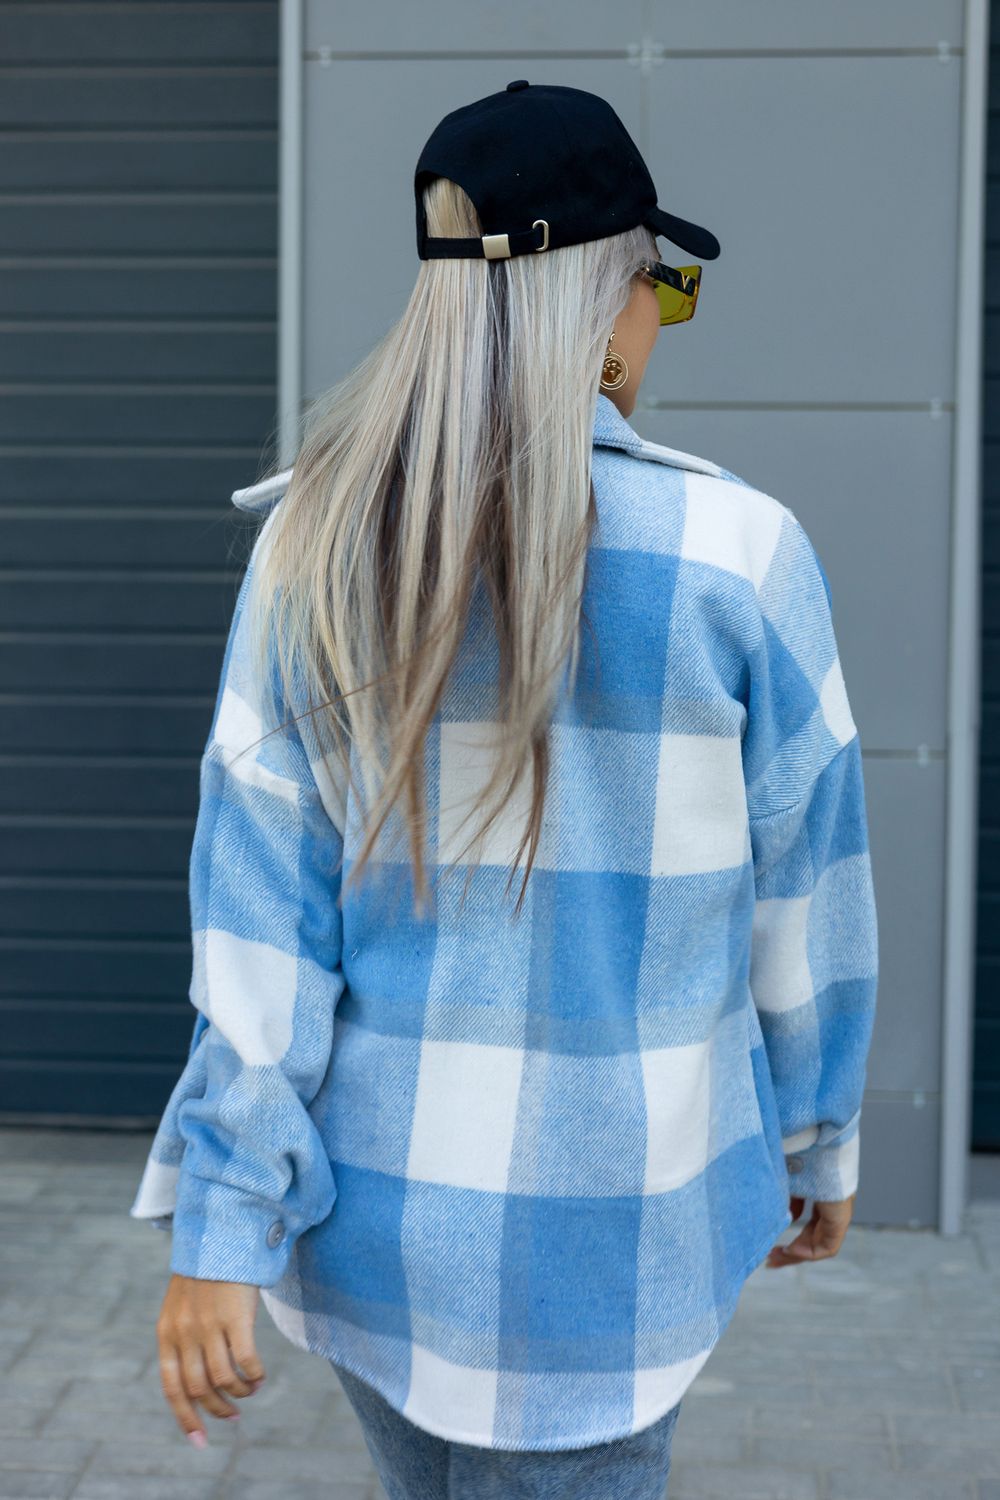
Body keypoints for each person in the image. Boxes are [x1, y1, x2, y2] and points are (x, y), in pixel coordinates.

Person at [129, 81, 879, 1499]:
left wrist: (223, 1224)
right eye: (663, 284)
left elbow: (259, 934)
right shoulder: (741, 558)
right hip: (621, 1249)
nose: (658, 321)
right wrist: (816, 1140)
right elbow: (810, 902)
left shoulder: (311, 546)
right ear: (605, 303)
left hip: (380, 1244)